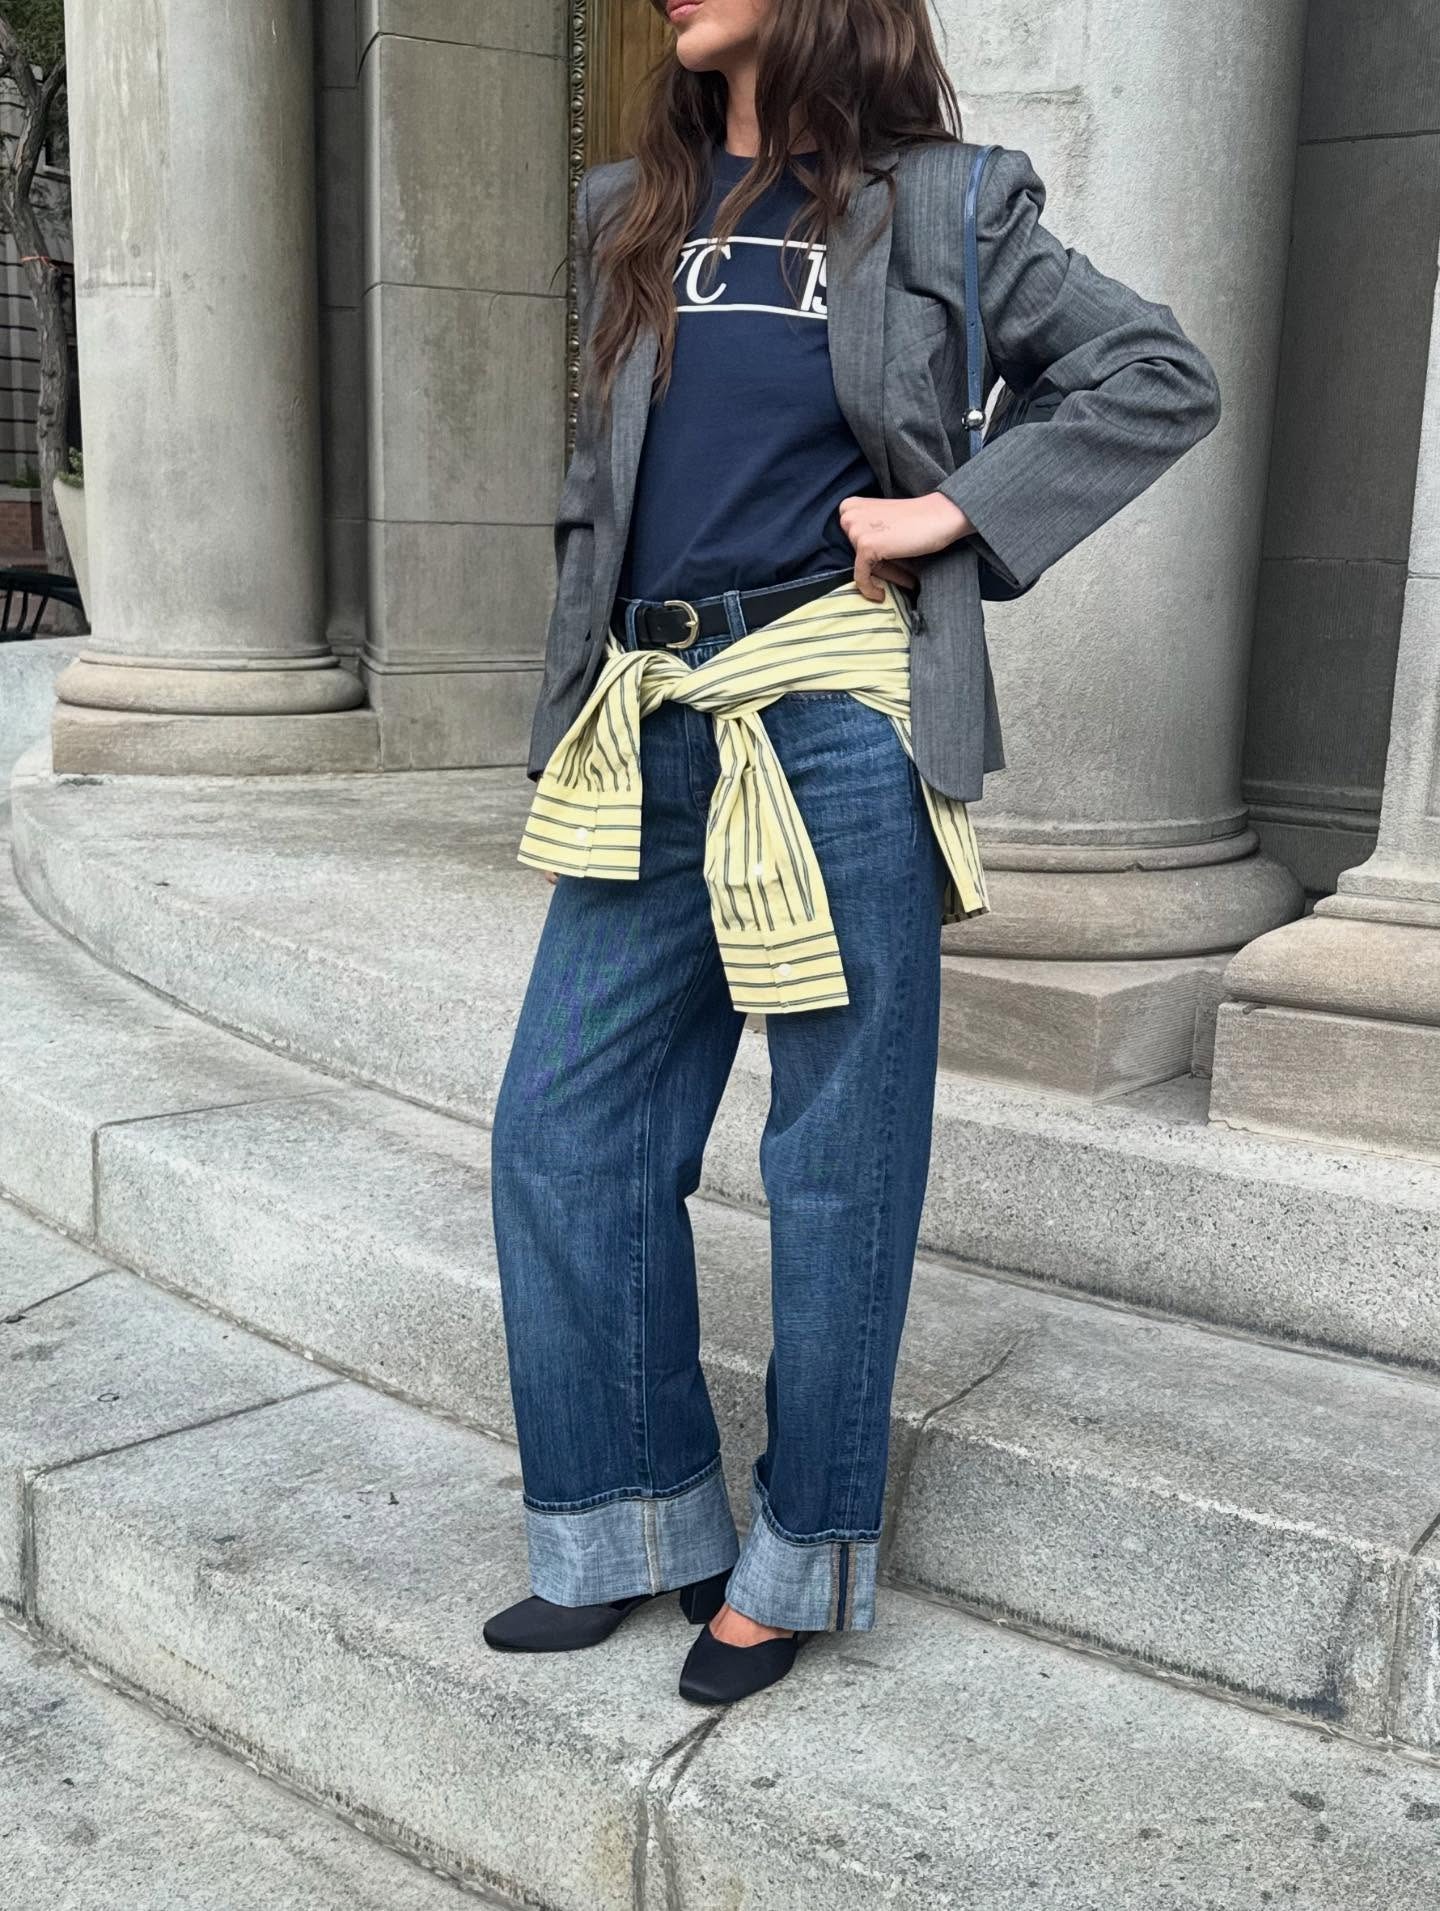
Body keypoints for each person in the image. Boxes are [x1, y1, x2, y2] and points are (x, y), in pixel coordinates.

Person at [484, 0, 1221, 1707]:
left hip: (833, 716)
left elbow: (1155, 374)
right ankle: (625, 1520)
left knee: (834, 1154)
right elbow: (610, 489)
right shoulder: (628, 212)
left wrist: (951, 510)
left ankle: (800, 1553)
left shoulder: (950, 201)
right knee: (565, 1128)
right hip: (656, 716)